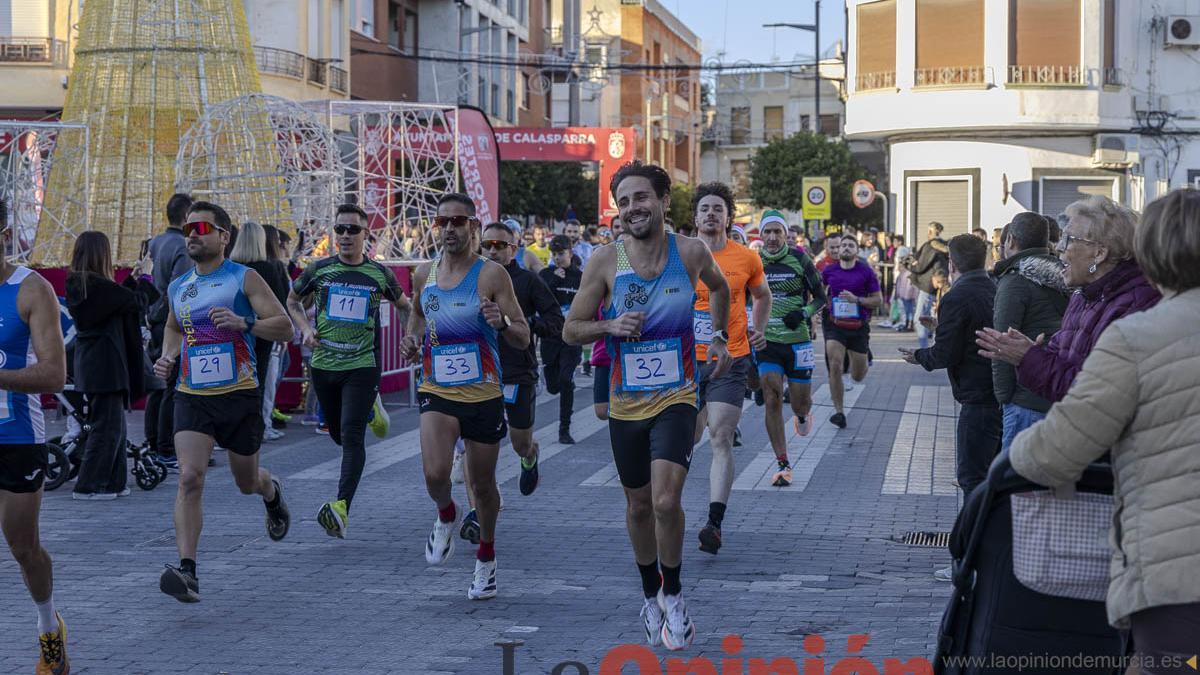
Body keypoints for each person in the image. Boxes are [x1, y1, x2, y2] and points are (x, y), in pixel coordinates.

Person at [1007, 188, 1200, 666]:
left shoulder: (1137, 335)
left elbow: (1055, 452)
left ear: (1151, 251)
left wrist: (1012, 454)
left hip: (1177, 575)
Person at [563, 161, 732, 651]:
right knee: (638, 506)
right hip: (625, 403)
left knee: (664, 501)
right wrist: (607, 327)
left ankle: (675, 594)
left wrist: (718, 338)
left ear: (663, 202)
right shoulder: (603, 261)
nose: (632, 208)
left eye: (641, 198)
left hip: (678, 395)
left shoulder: (692, 252)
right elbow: (571, 328)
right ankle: (649, 592)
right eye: (623, 201)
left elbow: (720, 289)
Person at [152, 201, 295, 603]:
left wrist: (244, 323)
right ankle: (188, 571)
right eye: (187, 230)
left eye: (201, 227)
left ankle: (271, 492)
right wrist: (168, 356)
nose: (193, 235)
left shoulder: (243, 279)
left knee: (246, 481)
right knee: (189, 477)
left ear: (223, 236)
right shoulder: (181, 286)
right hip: (192, 395)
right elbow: (173, 326)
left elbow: (284, 327)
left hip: (239, 396)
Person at [401, 193, 531, 601]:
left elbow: (523, 335)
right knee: (435, 475)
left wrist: (503, 320)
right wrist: (411, 339)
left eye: (459, 221)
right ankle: (446, 514)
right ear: (436, 228)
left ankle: (486, 560)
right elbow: (418, 316)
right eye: (443, 222)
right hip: (437, 390)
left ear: (473, 227)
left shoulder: (492, 275)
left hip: (483, 393)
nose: (450, 229)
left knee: (483, 484)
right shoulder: (424, 273)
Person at [286, 204, 404, 539]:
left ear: (367, 235)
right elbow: (292, 301)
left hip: (361, 366)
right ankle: (370, 411)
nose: (346, 235)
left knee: (351, 438)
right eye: (340, 229)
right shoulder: (319, 270)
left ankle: (341, 508)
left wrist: (411, 336)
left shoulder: (380, 274)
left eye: (353, 229)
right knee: (337, 435)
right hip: (324, 366)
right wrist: (304, 331)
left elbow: (405, 306)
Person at [976, 196, 1160, 406]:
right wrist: (1031, 353)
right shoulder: (1083, 294)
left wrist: (1029, 358)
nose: (1059, 248)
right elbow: (1063, 361)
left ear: (1099, 253)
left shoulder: (1136, 305)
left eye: (1069, 240)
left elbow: (1097, 395)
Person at [0, 199, 70, 674]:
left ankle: (49, 628)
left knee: (23, 547)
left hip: (17, 436)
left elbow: (53, 375)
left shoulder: (30, 289)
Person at [690, 182, 769, 555]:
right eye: (704, 208)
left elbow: (763, 296)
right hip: (685, 362)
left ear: (727, 217)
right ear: (695, 217)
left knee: (720, 437)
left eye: (717, 208)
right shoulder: (678, 256)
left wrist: (760, 329)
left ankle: (714, 523)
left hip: (731, 358)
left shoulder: (746, 258)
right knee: (686, 441)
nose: (710, 214)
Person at [900, 235, 1000, 499]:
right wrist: (940, 329)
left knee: (972, 477)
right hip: (1001, 392)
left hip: (978, 398)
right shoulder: (997, 288)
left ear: (952, 264)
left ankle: (975, 538)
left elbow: (945, 354)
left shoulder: (956, 296)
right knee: (995, 476)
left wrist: (920, 356)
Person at [471, 220, 561, 511]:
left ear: (514, 249)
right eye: (487, 245)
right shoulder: (469, 278)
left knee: (519, 441)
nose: (493, 251)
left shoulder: (529, 281)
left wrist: (531, 325)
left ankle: (530, 455)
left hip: (516, 372)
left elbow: (555, 319)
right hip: (478, 372)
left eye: (500, 246)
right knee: (476, 444)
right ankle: (479, 507)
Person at [65, 231, 145, 499]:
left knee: (115, 425)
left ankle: (114, 482)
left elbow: (119, 299)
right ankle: (89, 485)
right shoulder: (95, 286)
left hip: (95, 362)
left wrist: (134, 279)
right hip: (105, 364)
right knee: (106, 426)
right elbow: (128, 300)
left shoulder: (82, 285)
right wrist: (143, 278)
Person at [755, 211, 826, 486]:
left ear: (786, 235)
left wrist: (804, 313)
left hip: (797, 341)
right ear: (761, 235)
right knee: (771, 397)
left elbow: (821, 298)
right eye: (767, 232)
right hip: (767, 341)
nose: (772, 237)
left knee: (800, 402)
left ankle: (801, 413)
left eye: (777, 232)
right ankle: (783, 463)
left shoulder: (800, 259)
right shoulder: (754, 261)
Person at [989, 213, 1068, 449]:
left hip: (1026, 400)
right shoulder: (1066, 274)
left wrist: (1004, 397)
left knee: (1015, 480)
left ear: (1010, 240)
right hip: (1059, 388)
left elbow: (1002, 343)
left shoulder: (1015, 280)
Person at [146, 193, 195, 469]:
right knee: (172, 385)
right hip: (171, 320)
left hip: (154, 316)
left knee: (158, 382)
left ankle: (154, 442)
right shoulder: (183, 247)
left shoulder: (156, 242)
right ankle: (166, 447)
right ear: (186, 216)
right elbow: (181, 289)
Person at [230, 222, 292, 442]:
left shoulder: (229, 268)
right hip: (261, 334)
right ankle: (253, 430)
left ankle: (230, 431)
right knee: (258, 382)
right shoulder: (269, 268)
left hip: (232, 333)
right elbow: (281, 304)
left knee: (232, 383)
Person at [821, 236, 883, 429]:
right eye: (843, 245)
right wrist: (820, 306)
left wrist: (857, 300)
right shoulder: (829, 271)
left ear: (857, 250)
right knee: (835, 365)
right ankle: (839, 412)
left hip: (858, 327)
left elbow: (878, 300)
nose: (846, 248)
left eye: (850, 245)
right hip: (835, 325)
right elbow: (819, 294)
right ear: (838, 251)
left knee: (858, 376)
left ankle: (864, 356)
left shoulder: (866, 272)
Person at [539, 235, 584, 443]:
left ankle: (564, 429)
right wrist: (555, 279)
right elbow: (540, 300)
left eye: (561, 254)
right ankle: (554, 379)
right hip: (550, 337)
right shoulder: (546, 274)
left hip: (572, 337)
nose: (557, 258)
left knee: (566, 381)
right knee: (553, 386)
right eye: (554, 254)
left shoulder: (580, 276)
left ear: (570, 253)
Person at [904, 221, 950, 348]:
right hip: (941, 286)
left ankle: (925, 350)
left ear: (930, 232)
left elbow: (920, 266)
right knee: (936, 319)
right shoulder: (946, 246)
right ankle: (935, 348)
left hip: (928, 287)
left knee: (920, 320)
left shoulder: (930, 246)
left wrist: (909, 264)